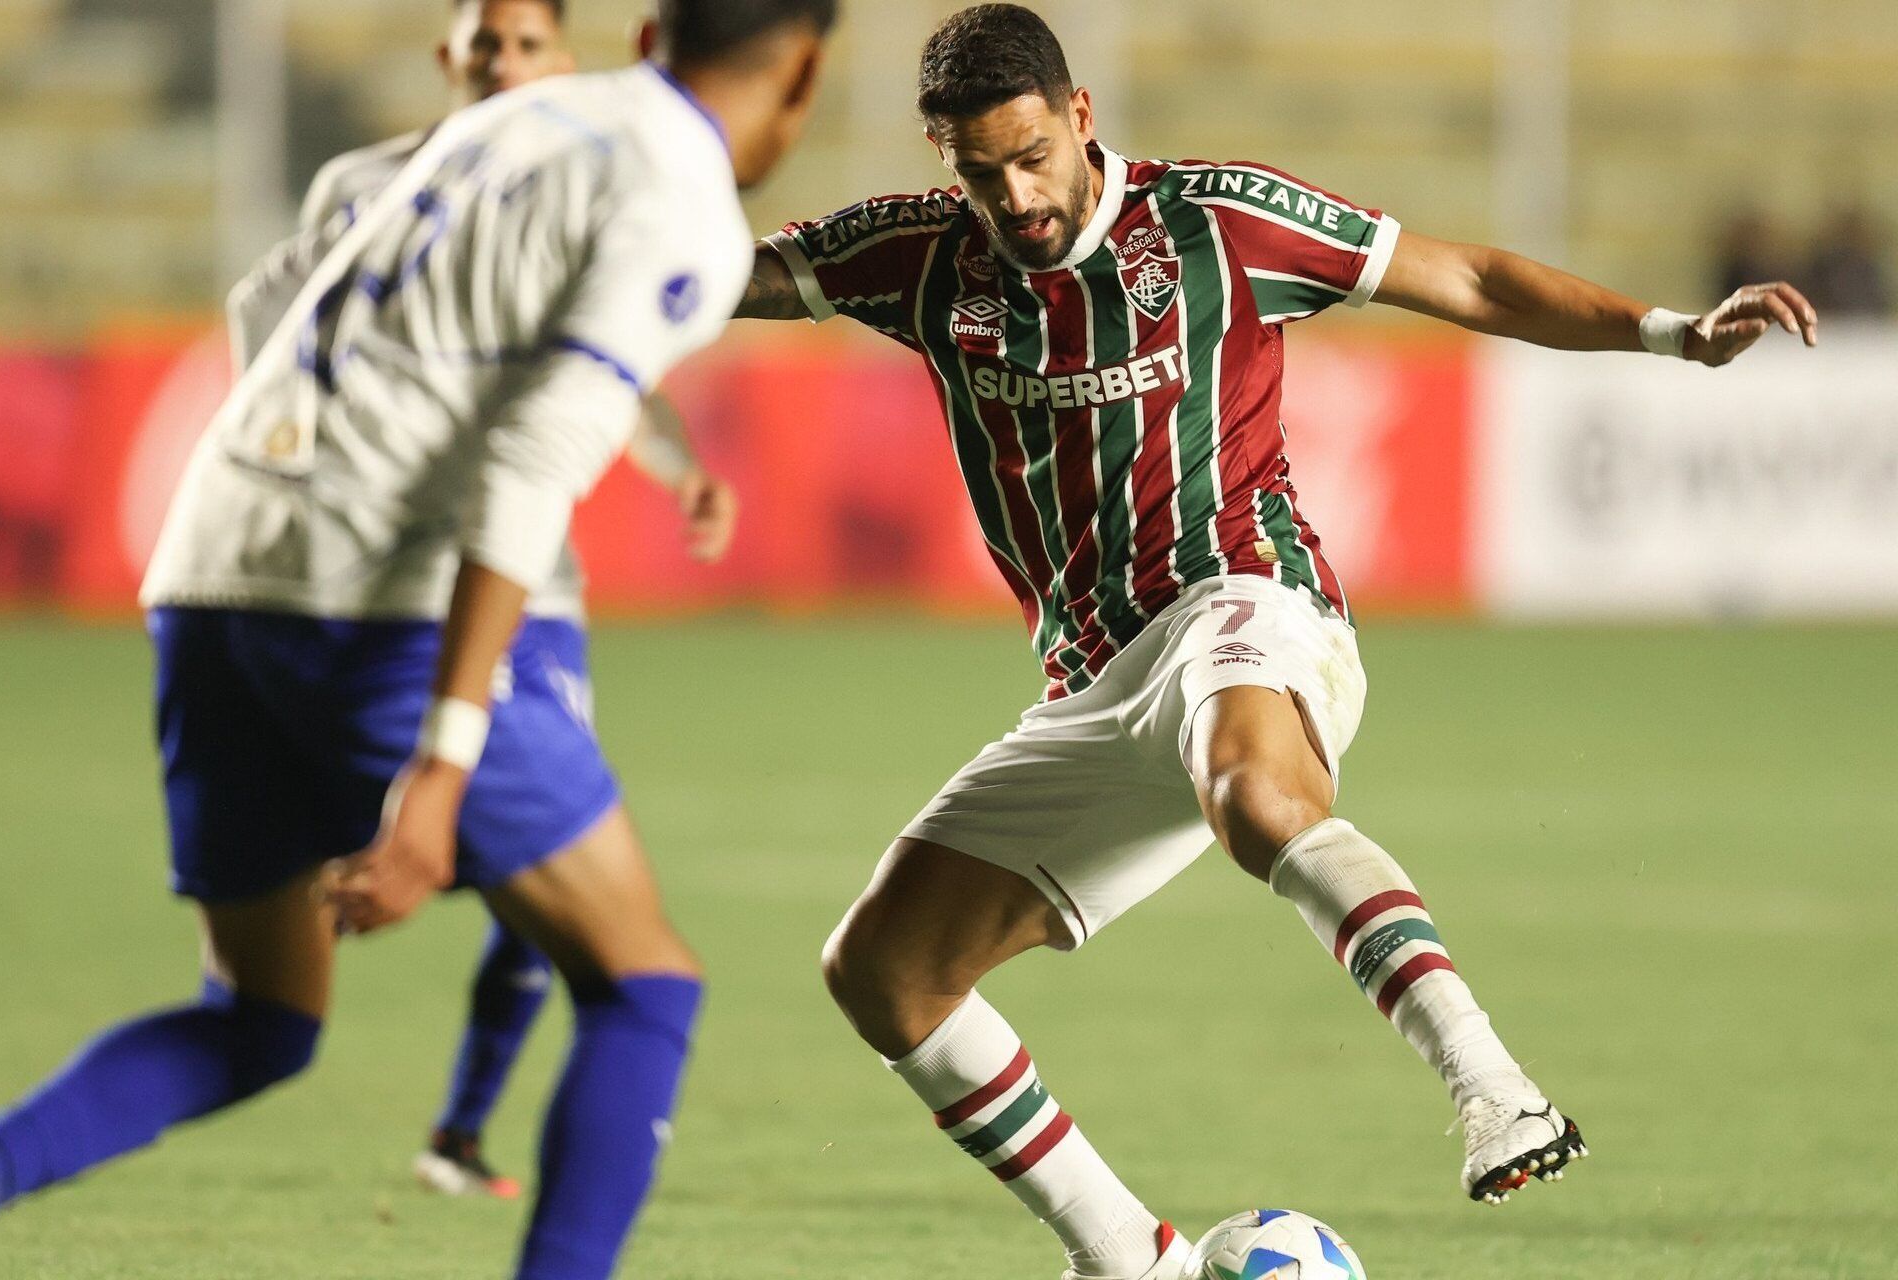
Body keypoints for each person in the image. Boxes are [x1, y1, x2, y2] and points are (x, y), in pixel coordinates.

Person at [735, 7, 1817, 1278]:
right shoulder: (919, 256)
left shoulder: (1215, 223)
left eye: (1031, 154)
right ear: (943, 158)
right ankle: (1127, 1258)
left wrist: (1666, 331)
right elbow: (706, 275)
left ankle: (1492, 1084)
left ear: (1080, 115)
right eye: (980, 171)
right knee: (883, 971)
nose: (1014, 194)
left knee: (1252, 787)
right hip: (1094, 684)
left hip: (1243, 602)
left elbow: (1462, 277)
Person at [0, 3, 834, 1278]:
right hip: (372, 598)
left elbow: (286, 297)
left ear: (648, 32)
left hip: (211, 562)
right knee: (642, 982)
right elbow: (530, 463)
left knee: (263, 1013)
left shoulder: (514, 121)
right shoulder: (679, 195)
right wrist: (440, 765)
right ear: (803, 68)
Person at [260, 0, 742, 1201]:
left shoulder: (584, 189)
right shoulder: (364, 188)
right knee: (544, 882)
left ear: (564, 62)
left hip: (523, 578)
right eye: (487, 47)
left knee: (545, 876)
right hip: (374, 578)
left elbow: (602, 374)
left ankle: (461, 1133)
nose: (506, 65)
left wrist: (682, 470)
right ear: (449, 59)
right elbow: (265, 324)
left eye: (528, 46)